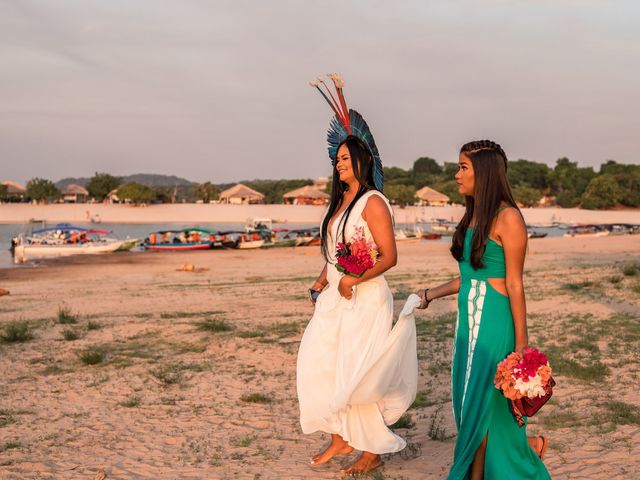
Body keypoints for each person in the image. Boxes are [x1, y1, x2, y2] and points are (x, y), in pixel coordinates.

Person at [297, 75, 418, 476]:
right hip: (336, 297)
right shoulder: (341, 201)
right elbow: (338, 250)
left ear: (362, 161)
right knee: (322, 363)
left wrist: (352, 280)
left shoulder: (372, 201)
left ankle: (372, 448)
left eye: (346, 158)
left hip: (364, 297)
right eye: (336, 159)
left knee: (358, 371)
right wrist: (323, 279)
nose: (339, 163)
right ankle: (339, 435)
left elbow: (390, 256)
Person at [416, 140, 550, 479]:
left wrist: (522, 346)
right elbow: (467, 277)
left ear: (485, 173)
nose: (456, 174)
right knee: (469, 407)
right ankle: (522, 449)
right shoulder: (473, 213)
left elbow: (515, 284)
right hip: (468, 323)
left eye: (463, 167)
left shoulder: (509, 218)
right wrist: (431, 294)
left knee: (481, 407)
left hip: (493, 324)